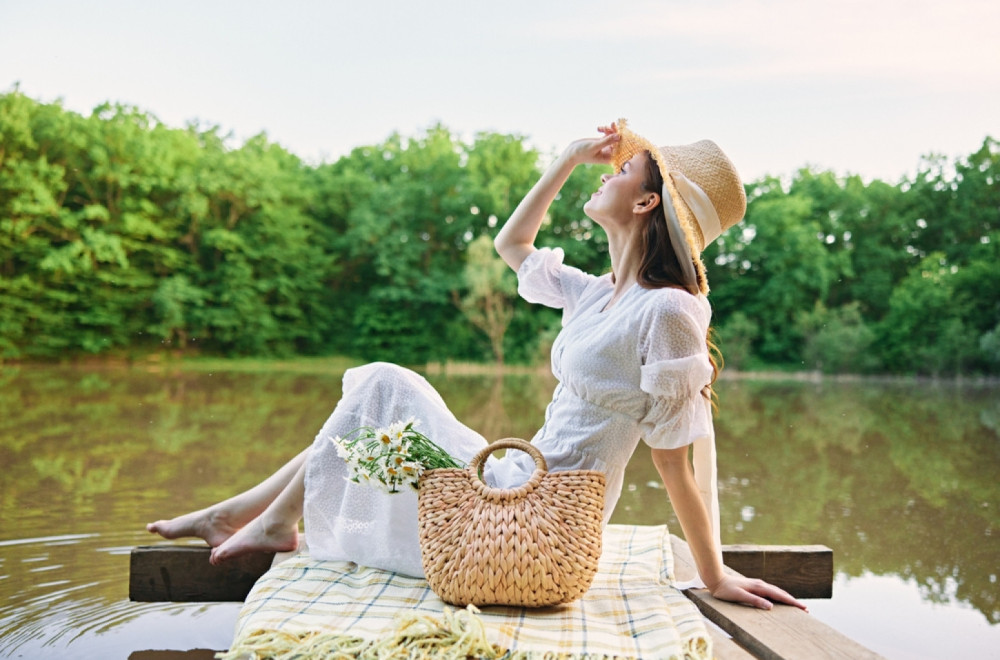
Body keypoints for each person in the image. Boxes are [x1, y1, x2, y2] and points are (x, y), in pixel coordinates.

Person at [147, 120, 806, 612]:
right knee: (374, 415)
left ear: (646, 203)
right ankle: (253, 517)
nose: (607, 173)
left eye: (625, 169)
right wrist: (566, 158)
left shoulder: (668, 309)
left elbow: (673, 460)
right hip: (516, 479)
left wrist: (714, 574)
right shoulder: (598, 293)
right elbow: (512, 243)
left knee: (384, 384)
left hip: (542, 524)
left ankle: (266, 522)